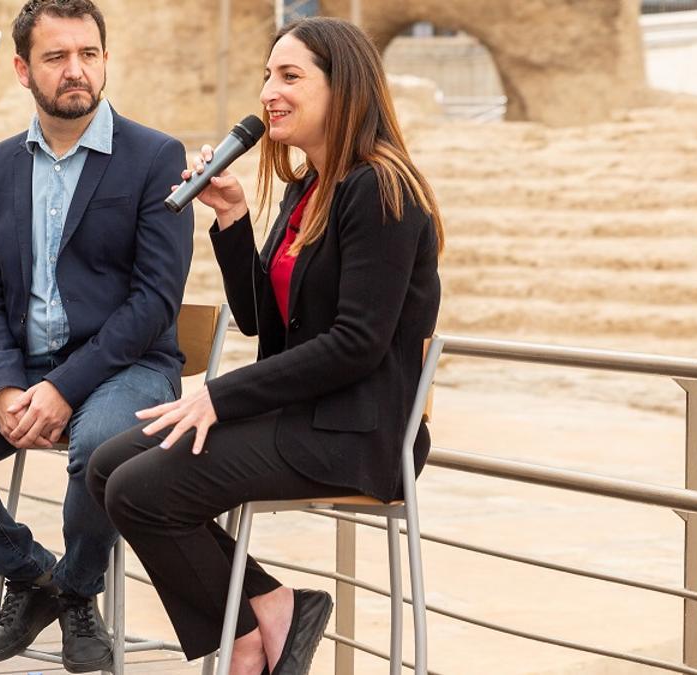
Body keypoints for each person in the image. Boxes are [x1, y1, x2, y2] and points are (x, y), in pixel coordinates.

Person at [86, 17, 444, 675]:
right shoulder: (309, 187)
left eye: (289, 76)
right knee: (109, 465)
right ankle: (270, 609)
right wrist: (231, 217)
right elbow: (261, 324)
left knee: (142, 490)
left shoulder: (381, 189)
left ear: (345, 89)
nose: (268, 92)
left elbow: (356, 345)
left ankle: (252, 634)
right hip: (303, 412)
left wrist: (217, 396)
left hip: (359, 429)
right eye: (266, 75)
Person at [0, 0, 194, 671]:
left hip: (128, 365)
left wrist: (62, 387)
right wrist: (0, 386)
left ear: (106, 59)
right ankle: (34, 575)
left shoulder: (155, 156)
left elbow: (153, 302)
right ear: (24, 70)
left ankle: (81, 592)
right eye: (57, 57)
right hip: (20, 367)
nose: (75, 70)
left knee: (99, 449)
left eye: (88, 53)